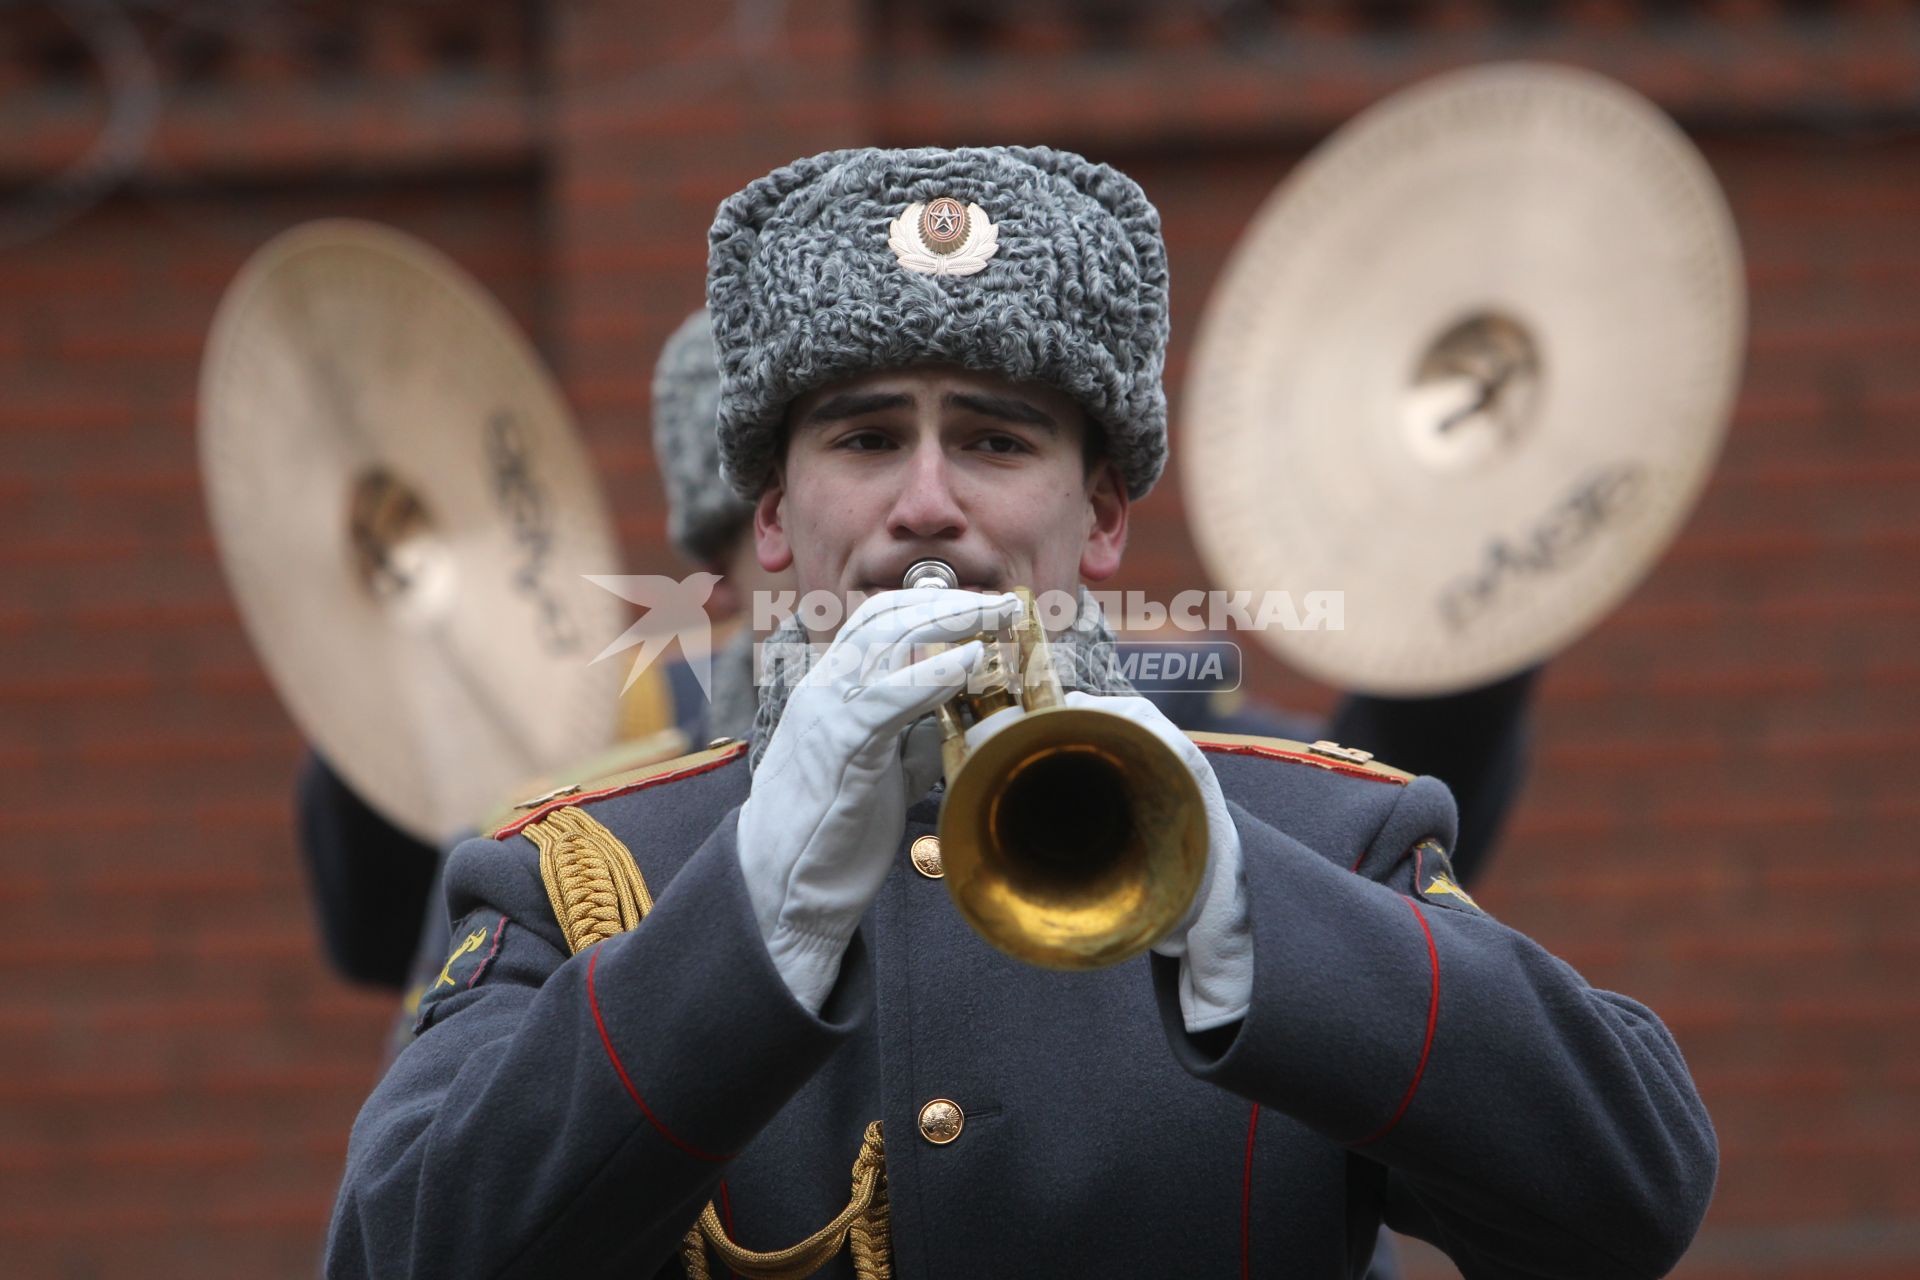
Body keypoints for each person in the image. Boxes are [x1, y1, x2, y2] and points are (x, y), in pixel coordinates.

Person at [326, 146, 1713, 1279]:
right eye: (866, 439)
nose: (927, 503)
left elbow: (1629, 1196)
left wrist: (1245, 911)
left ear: (1101, 515)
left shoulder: (1320, 829)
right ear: (774, 517)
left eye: (995, 440)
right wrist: (752, 915)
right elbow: (397, 1253)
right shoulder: (583, 878)